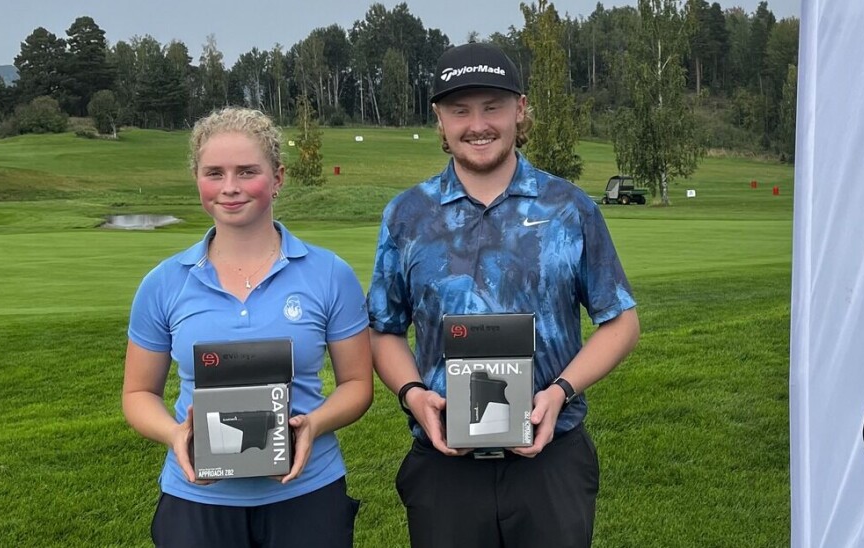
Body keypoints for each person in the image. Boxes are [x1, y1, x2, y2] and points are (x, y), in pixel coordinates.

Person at [367, 42, 640, 548]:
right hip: (444, 465)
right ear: (440, 120)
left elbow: (621, 321)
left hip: (550, 461)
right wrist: (412, 394)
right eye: (460, 109)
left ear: (519, 109)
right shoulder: (407, 214)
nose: (478, 124)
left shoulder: (569, 208)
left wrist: (560, 392)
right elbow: (383, 330)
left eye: (492, 106)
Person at [123, 107, 372, 548]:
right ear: (197, 179)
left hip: (306, 491)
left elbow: (356, 384)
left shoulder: (330, 273)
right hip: (198, 498)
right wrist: (174, 433)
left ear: (277, 178)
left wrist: (313, 424)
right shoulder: (163, 283)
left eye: (247, 171)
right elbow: (138, 393)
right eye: (214, 173)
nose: (230, 188)